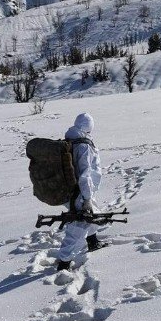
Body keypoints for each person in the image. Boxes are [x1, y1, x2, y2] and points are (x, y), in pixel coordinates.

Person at [55, 113, 107, 270]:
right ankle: (63, 263)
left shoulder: (70, 140)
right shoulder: (83, 145)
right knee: (79, 224)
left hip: (76, 190)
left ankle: (93, 241)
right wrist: (87, 198)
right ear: (89, 127)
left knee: (92, 214)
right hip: (80, 191)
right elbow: (85, 174)